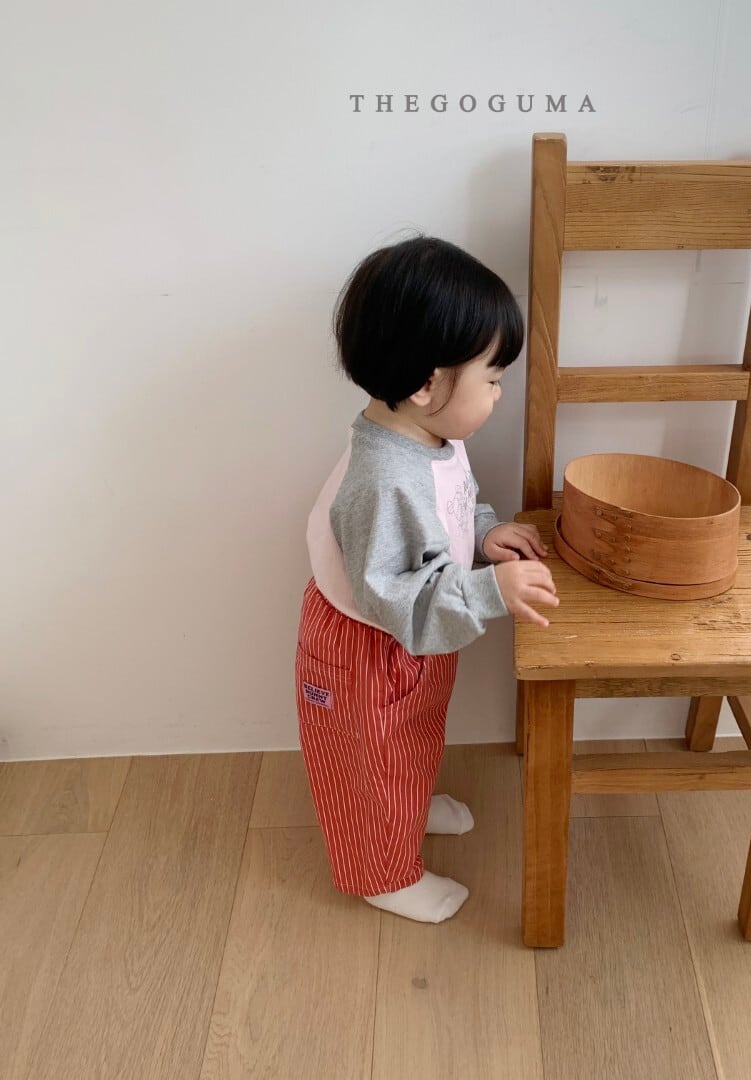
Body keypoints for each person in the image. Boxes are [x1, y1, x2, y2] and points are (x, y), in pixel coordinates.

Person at [296, 234, 559, 924]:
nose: (499, 393)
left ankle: (407, 809)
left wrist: (483, 535)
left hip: (412, 636)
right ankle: (382, 872)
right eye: (492, 379)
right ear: (426, 384)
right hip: (369, 646)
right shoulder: (383, 482)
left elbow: (451, 505)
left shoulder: (431, 433)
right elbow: (400, 595)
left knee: (412, 738)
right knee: (369, 763)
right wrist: (491, 591)